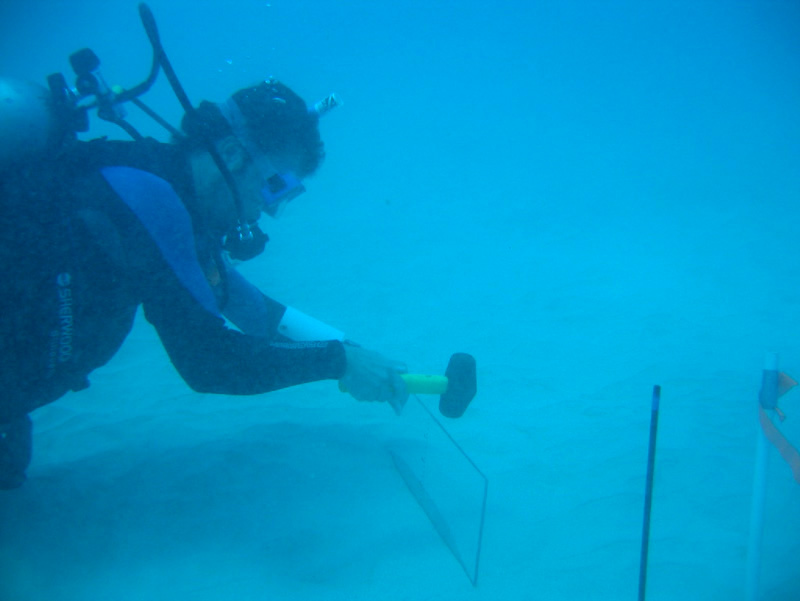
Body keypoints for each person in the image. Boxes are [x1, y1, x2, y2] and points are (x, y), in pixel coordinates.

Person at [0, 77, 408, 490]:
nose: (263, 212)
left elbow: (254, 311)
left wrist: (355, 354)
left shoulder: (168, 202)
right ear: (232, 154)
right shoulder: (150, 197)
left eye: (282, 197)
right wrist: (337, 362)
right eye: (272, 188)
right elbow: (208, 363)